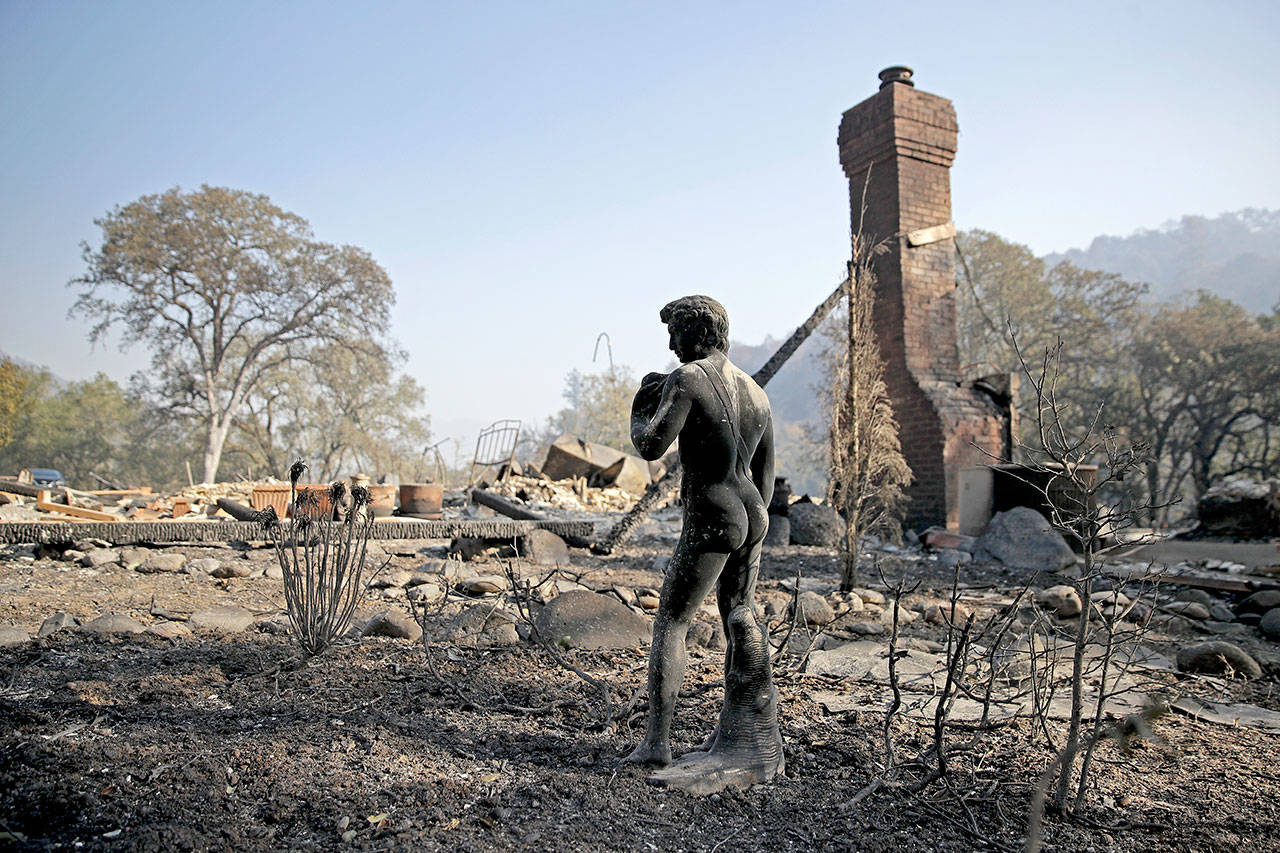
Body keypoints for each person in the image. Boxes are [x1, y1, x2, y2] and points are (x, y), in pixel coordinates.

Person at [623, 294, 784, 792]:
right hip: (753, 512)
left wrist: (643, 402)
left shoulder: (688, 379)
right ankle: (748, 731)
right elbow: (769, 476)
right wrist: (753, 526)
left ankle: (656, 741)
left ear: (696, 333)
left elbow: (650, 445)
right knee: (741, 614)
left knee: (673, 619)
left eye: (675, 333)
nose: (671, 345)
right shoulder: (756, 392)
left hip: (712, 513)